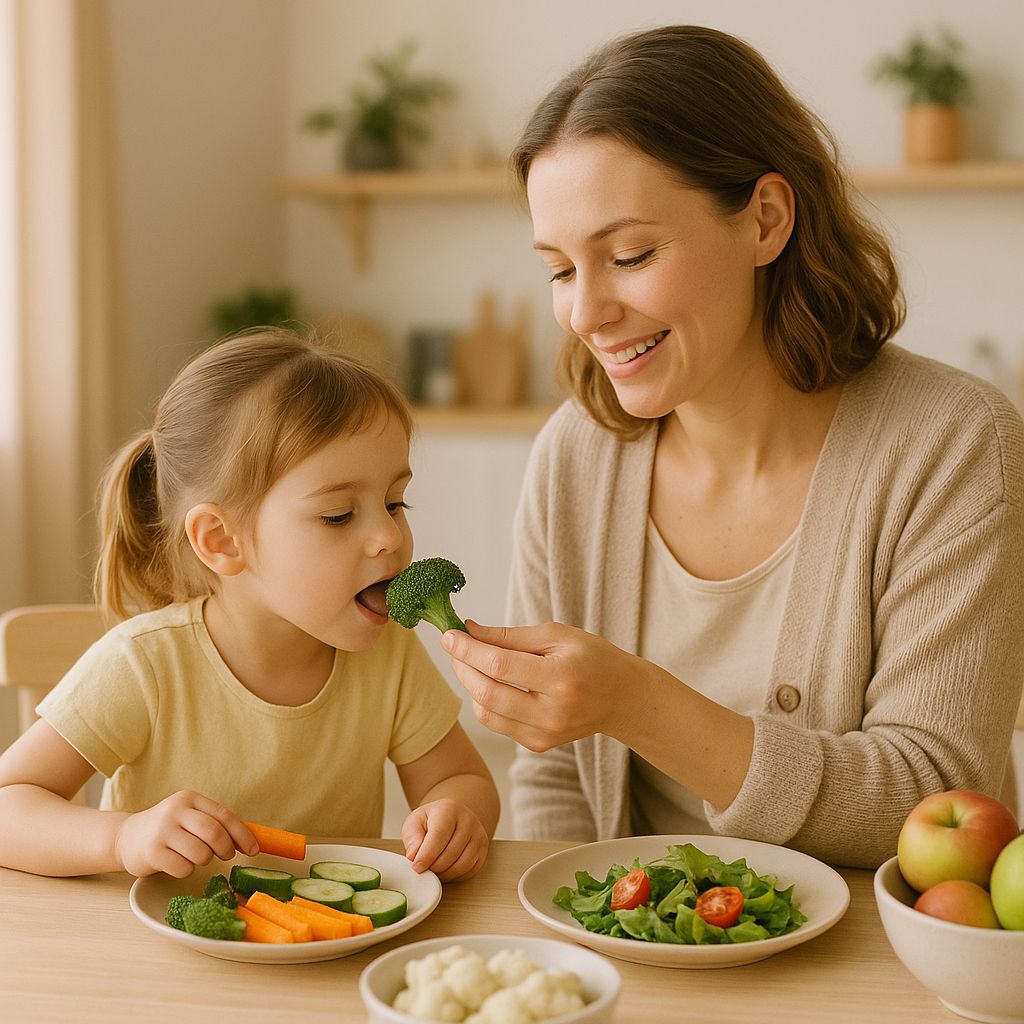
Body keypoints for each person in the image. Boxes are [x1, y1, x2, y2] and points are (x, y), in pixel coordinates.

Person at [442, 25, 1024, 867]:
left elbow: (933, 799)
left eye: (630, 254)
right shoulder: (575, 456)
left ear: (766, 220)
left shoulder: (954, 444)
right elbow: (557, 778)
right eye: (561, 270)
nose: (585, 313)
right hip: (630, 938)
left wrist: (635, 702)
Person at [0, 330, 499, 881]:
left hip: (333, 928)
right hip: (164, 931)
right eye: (337, 515)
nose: (389, 536)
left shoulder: (390, 656)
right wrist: (121, 838)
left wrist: (457, 815)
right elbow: (8, 805)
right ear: (221, 540)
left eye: (394, 502)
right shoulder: (144, 664)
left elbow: (461, 780)